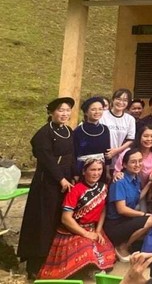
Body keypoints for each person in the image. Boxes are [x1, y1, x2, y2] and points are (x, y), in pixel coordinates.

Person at [17, 97, 76, 279]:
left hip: (65, 181)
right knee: (43, 222)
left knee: (59, 220)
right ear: (51, 112)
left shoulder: (68, 131)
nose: (64, 114)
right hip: (47, 184)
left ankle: (54, 262)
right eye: (60, 110)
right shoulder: (43, 134)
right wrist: (61, 179)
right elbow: (47, 159)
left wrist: (73, 175)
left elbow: (71, 155)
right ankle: (35, 265)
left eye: (67, 110)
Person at [37, 158, 115, 280]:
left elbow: (102, 210)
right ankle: (88, 269)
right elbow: (65, 218)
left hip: (92, 228)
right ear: (84, 172)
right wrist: (85, 233)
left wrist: (98, 231)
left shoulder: (103, 187)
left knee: (107, 251)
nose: (96, 173)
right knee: (87, 250)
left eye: (99, 169)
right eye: (92, 170)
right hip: (72, 230)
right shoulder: (75, 190)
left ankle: (91, 267)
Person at [104, 149, 152, 261]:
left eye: (140, 161)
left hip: (125, 221)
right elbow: (121, 209)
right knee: (149, 220)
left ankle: (125, 244)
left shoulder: (135, 178)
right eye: (133, 162)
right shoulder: (120, 181)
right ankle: (121, 247)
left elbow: (137, 197)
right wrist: (144, 214)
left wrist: (150, 183)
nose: (137, 165)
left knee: (151, 219)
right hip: (114, 225)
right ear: (124, 164)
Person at [116, 124, 152, 212]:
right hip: (128, 193)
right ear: (139, 137)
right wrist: (117, 174)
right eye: (145, 136)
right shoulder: (128, 152)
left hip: (149, 193)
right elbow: (117, 170)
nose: (149, 139)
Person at [73, 96, 111, 176]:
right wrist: (75, 174)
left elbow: (107, 152)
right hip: (83, 170)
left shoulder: (105, 129)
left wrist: (107, 172)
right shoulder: (78, 131)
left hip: (100, 170)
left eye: (100, 109)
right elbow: (74, 154)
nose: (97, 112)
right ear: (86, 112)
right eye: (93, 109)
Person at [101, 88, 137, 165]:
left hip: (119, 158)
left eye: (125, 100)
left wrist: (116, 151)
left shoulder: (130, 119)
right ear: (113, 100)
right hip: (102, 157)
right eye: (118, 99)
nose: (121, 102)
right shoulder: (102, 115)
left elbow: (130, 140)